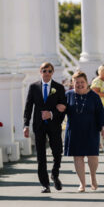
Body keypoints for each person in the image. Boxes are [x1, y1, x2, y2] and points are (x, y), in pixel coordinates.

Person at [23, 62, 67, 193]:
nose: (46, 73)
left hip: (54, 125)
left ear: (52, 72)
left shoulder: (58, 87)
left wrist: (52, 113)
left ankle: (55, 174)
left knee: (57, 152)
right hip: (39, 126)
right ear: (40, 71)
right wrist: (26, 125)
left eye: (49, 71)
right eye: (44, 70)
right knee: (40, 156)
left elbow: (63, 107)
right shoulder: (33, 87)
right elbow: (28, 107)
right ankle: (45, 184)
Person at [64, 71, 104, 192]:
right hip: (74, 130)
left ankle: (93, 177)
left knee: (92, 156)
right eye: (76, 82)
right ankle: (82, 183)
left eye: (82, 82)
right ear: (73, 83)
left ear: (87, 82)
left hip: (91, 130)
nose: (79, 85)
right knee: (78, 157)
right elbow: (61, 112)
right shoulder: (68, 95)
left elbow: (102, 114)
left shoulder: (94, 96)